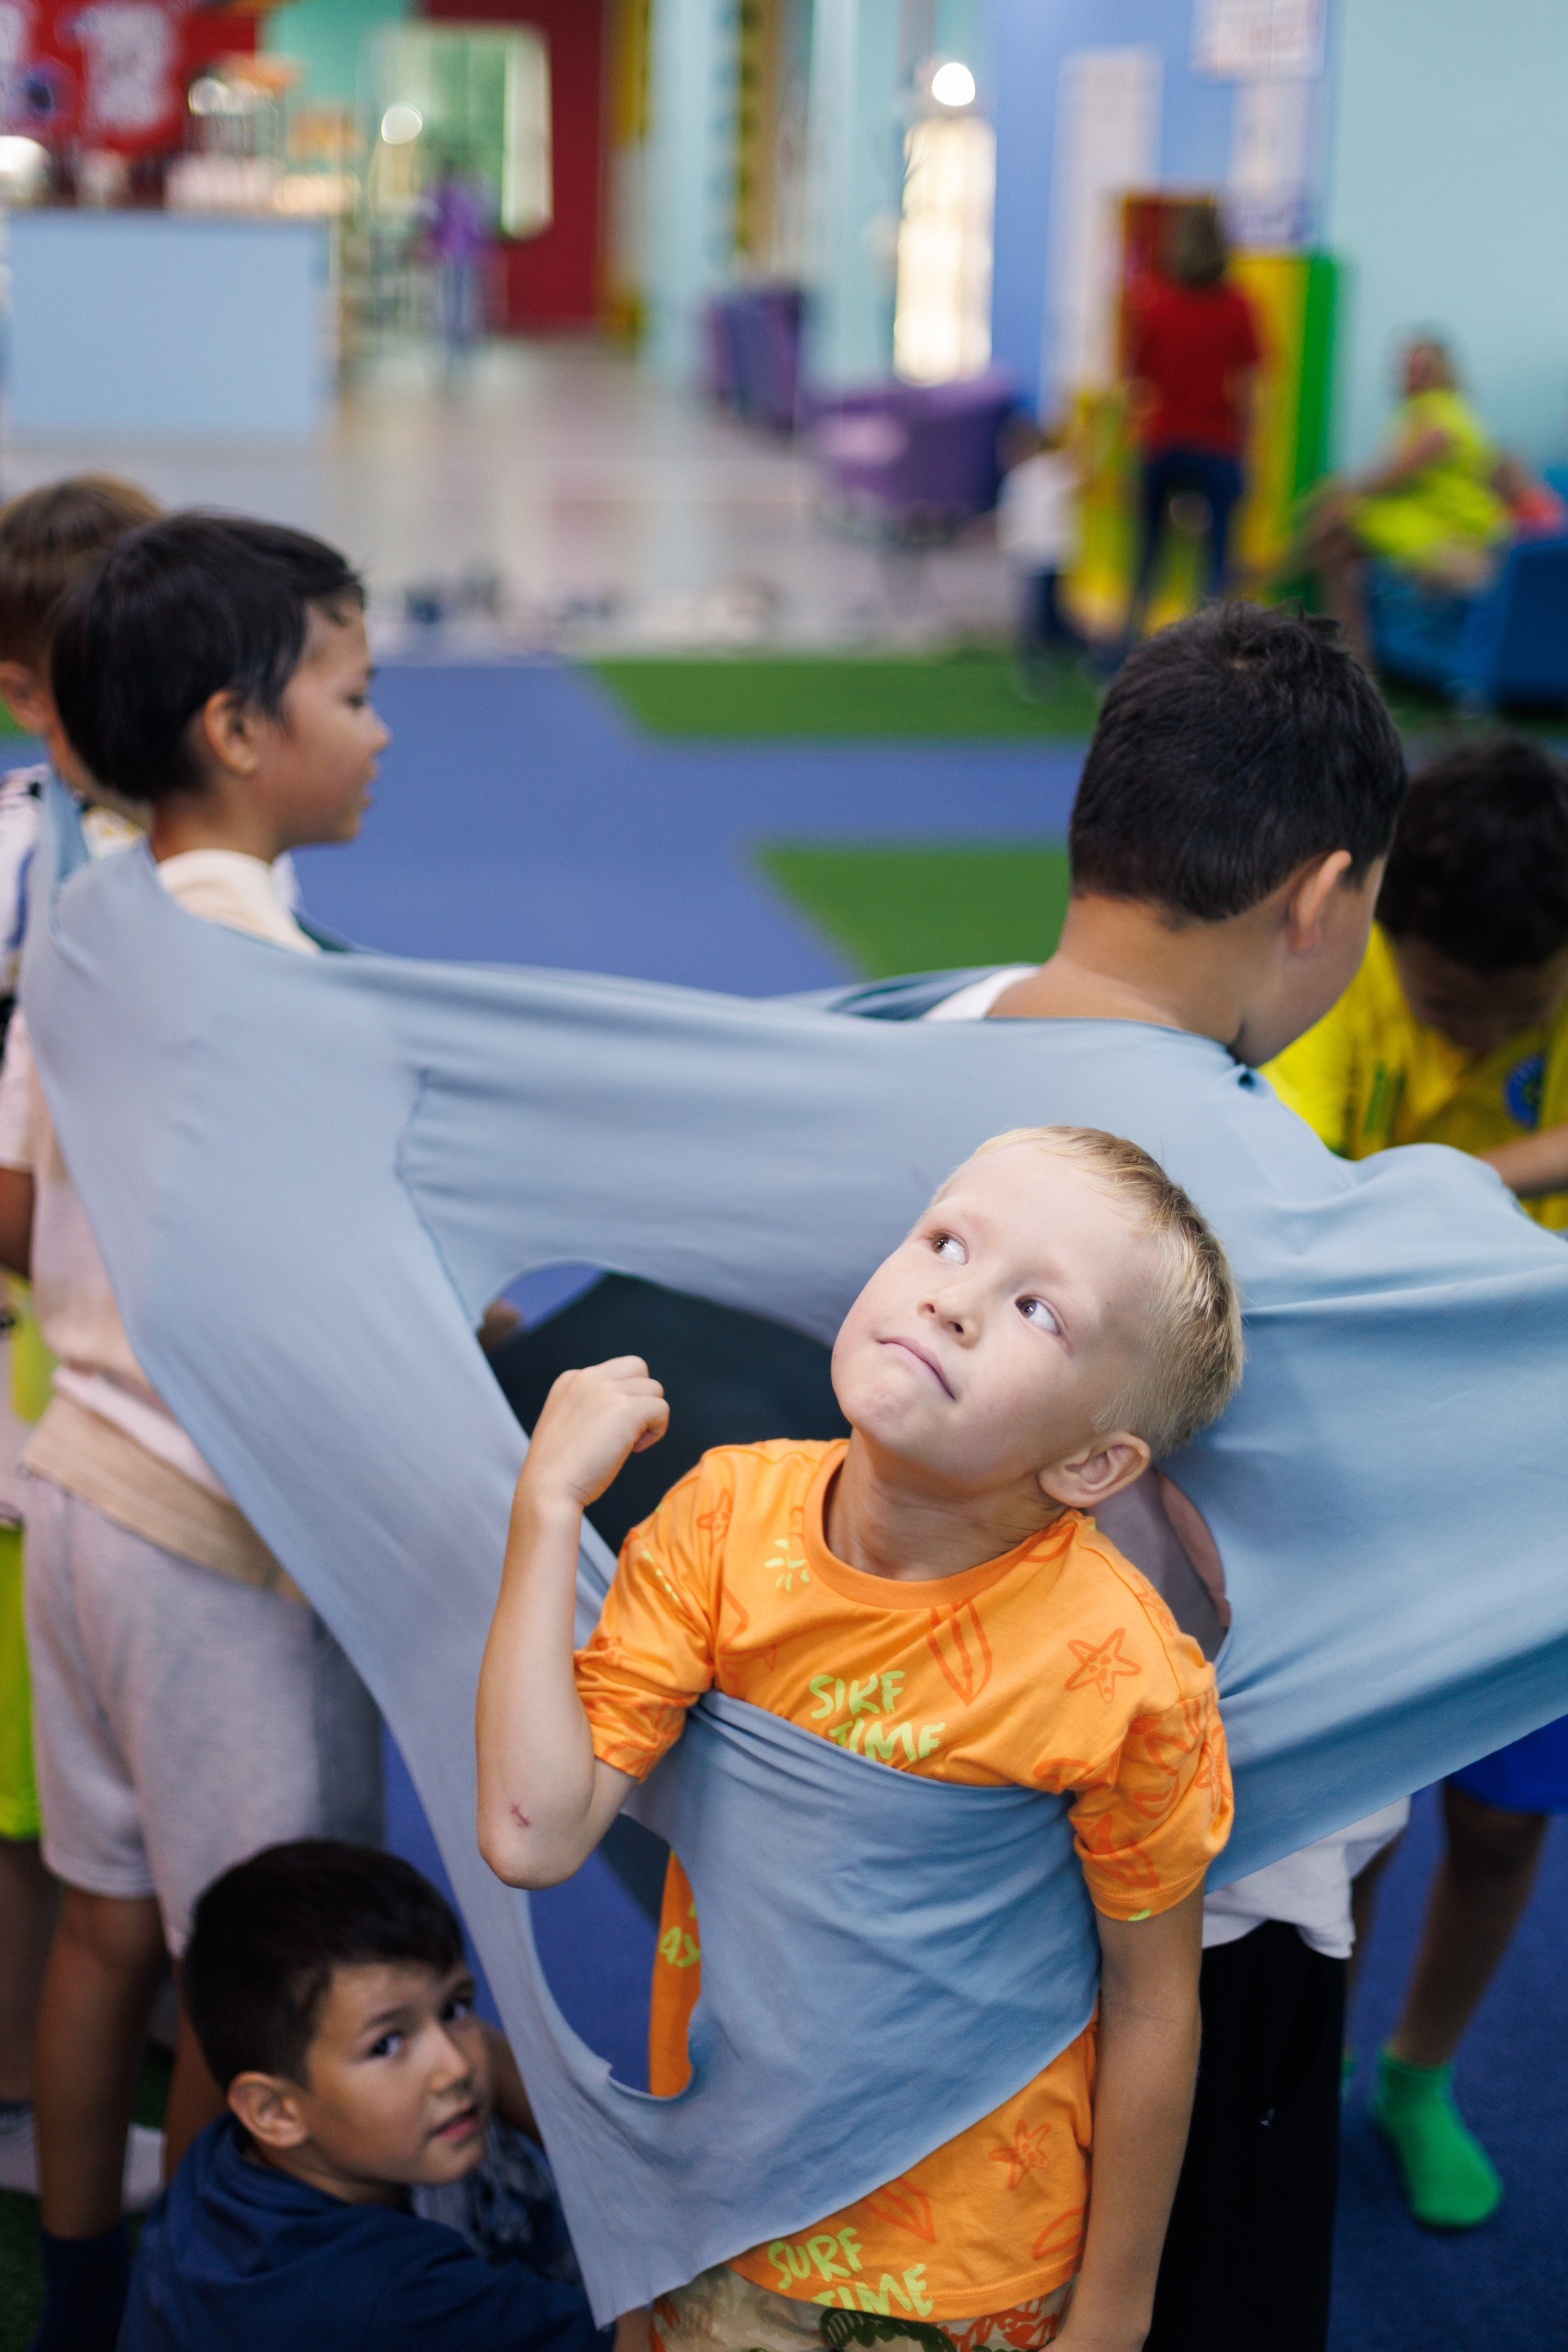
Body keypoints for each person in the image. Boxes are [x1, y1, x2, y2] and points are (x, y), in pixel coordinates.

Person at [479, 1123, 1242, 2352]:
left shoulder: (1122, 1676)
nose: (953, 1301)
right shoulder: (723, 1522)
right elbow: (531, 1833)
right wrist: (546, 1507)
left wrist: (1114, 2312)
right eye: (945, 1242)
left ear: (1093, 1463)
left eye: (1037, 1310)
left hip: (966, 2272)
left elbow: (1154, 2002)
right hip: (716, 2205)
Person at [897, 602, 1409, 2352]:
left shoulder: (894, 1055)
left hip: (887, 1831)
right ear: (1321, 896)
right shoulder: (1283, 1207)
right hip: (1185, 1903)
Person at [4, 513, 391, 2351]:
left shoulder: (92, 922)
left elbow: (54, 1195)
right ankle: (199, 2311)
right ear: (239, 728)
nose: (380, 732)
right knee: (252, 1982)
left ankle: (88, 2294)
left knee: (107, 1923)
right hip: (210, 1542)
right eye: (353, 692)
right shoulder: (271, 974)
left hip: (75, 1490)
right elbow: (316, 1269)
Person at [1265, 734, 1568, 2226]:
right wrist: (1535, 1160)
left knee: (1504, 1822)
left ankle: (1416, 2074)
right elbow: (1308, 1226)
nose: (1482, 1033)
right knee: (1357, 1809)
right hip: (1371, 1456)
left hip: (1537, 1459)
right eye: (1453, 1007)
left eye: (1521, 1013)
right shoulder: (1325, 986)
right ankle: (1312, 2057)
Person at [0, 475, 162, 2211]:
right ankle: (24, 2087)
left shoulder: (151, 861)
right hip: (48, 1389)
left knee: (103, 1797)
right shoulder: (35, 873)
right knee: (33, 1802)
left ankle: (125, 2018)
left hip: (115, 1377)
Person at [119, 1839, 608, 2351]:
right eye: (386, 2045)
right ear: (274, 2111)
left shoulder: (221, 2166)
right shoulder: (393, 2295)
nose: (456, 2068)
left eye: (454, 2009)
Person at [1300, 334, 1510, 662]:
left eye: (1422, 369)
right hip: (1426, 523)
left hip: (1446, 532)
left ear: (1442, 372)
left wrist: (1345, 491)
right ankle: (1348, 652)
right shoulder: (1429, 411)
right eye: (1408, 369)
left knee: (1334, 529)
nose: (1412, 377)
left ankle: (1347, 651)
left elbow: (1402, 470)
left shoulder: (1439, 410)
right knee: (1335, 538)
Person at [1124, 202, 1261, 638]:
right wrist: (1248, 451)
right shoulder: (1238, 305)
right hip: (1218, 443)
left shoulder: (1157, 305)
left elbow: (1139, 384)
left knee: (1147, 553)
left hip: (1164, 440)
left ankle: (1123, 648)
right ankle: (1211, 649)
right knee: (1218, 559)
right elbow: (1249, 388)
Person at [996, 413, 1083, 683]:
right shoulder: (1024, 476)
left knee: (1047, 614)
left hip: (1051, 556)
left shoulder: (1050, 470)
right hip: (1035, 558)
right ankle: (1046, 660)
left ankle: (1053, 659)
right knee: (1042, 614)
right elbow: (1011, 519)